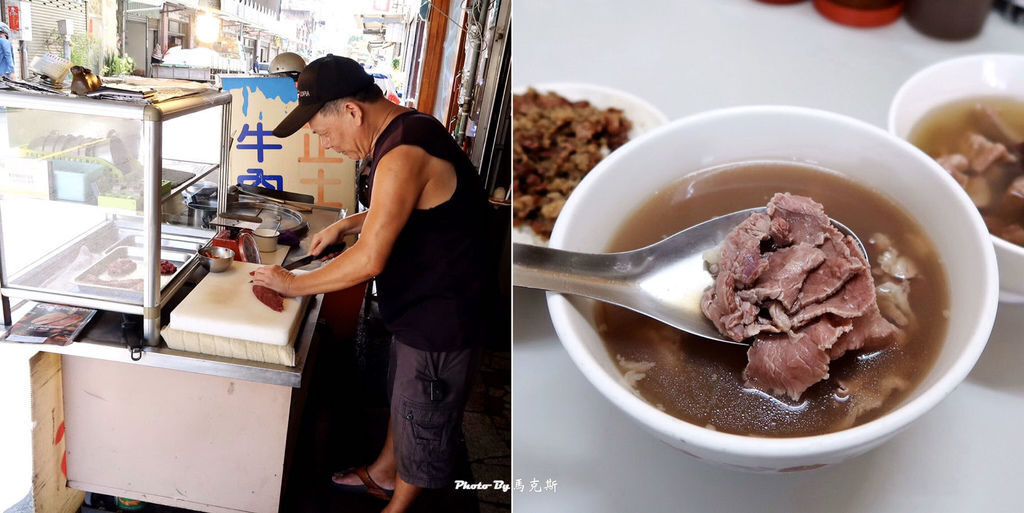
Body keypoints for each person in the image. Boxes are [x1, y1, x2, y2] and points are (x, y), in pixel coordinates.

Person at [253, 55, 492, 512]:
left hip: (444, 318)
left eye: (323, 133)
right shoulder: (408, 128)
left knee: (424, 416)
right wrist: (348, 225)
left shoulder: (402, 152)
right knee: (404, 395)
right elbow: (413, 207)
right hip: (422, 308)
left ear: (352, 112)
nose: (327, 145)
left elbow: (371, 258)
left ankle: (398, 505)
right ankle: (385, 470)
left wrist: (292, 283)